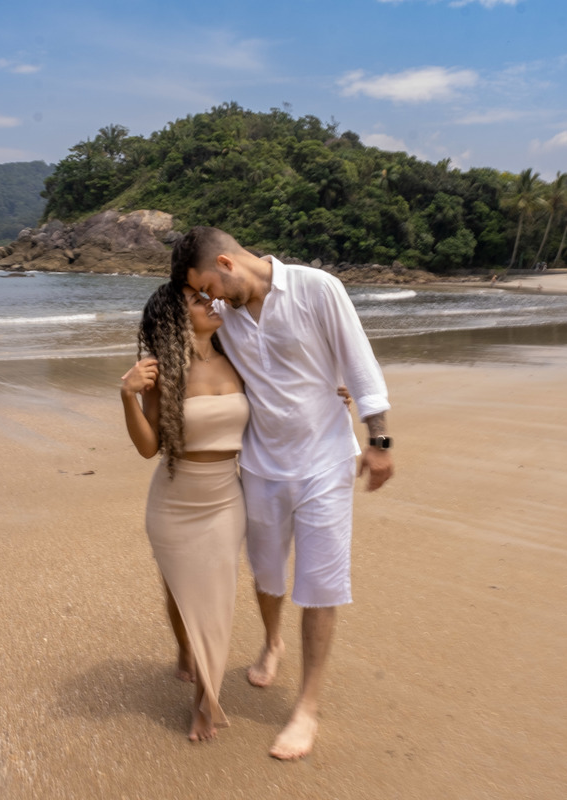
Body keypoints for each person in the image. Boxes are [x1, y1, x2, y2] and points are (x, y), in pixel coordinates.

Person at [171, 226, 395, 761]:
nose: (210, 300)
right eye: (201, 295)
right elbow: (198, 350)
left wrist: (380, 439)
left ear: (226, 262)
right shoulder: (224, 318)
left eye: (209, 286)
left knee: (320, 583)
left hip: (326, 462)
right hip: (261, 465)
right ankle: (272, 641)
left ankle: (306, 709)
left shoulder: (318, 288)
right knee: (267, 574)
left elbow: (360, 364)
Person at [120, 281, 248, 742]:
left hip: (224, 498)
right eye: (199, 301)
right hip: (174, 500)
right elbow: (147, 447)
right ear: (177, 317)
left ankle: (205, 701)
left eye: (211, 299)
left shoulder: (239, 357)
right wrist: (127, 396)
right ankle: (184, 648)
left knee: (215, 596)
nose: (213, 305)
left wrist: (333, 395)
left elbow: (282, 401)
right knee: (178, 593)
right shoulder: (163, 370)